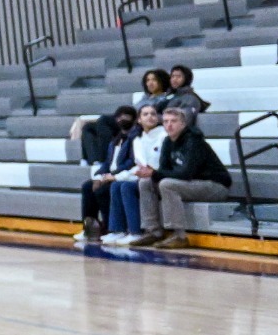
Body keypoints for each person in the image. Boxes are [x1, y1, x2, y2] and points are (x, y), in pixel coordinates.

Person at [131, 106, 231, 249]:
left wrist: (154, 173)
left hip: (215, 186)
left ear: (183, 124)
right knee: (145, 182)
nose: (169, 125)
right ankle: (153, 231)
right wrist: (150, 174)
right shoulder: (167, 142)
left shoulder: (193, 141)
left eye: (173, 121)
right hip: (191, 184)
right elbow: (164, 170)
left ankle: (179, 236)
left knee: (166, 184)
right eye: (165, 121)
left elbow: (186, 173)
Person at [74, 106, 137, 243]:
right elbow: (107, 163)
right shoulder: (114, 141)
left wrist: (110, 176)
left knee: (103, 190)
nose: (122, 119)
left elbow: (130, 163)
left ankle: (111, 227)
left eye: (126, 116)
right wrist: (100, 175)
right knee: (87, 186)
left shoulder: (133, 139)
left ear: (134, 119)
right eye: (119, 116)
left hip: (124, 175)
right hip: (110, 174)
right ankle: (90, 228)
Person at [103, 103, 165, 245]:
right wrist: (117, 177)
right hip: (142, 175)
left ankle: (135, 231)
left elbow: (153, 165)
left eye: (153, 114)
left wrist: (118, 176)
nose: (150, 116)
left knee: (126, 186)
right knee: (116, 185)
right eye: (145, 114)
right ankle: (118, 230)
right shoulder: (137, 139)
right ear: (139, 120)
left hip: (158, 175)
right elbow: (139, 166)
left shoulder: (163, 135)